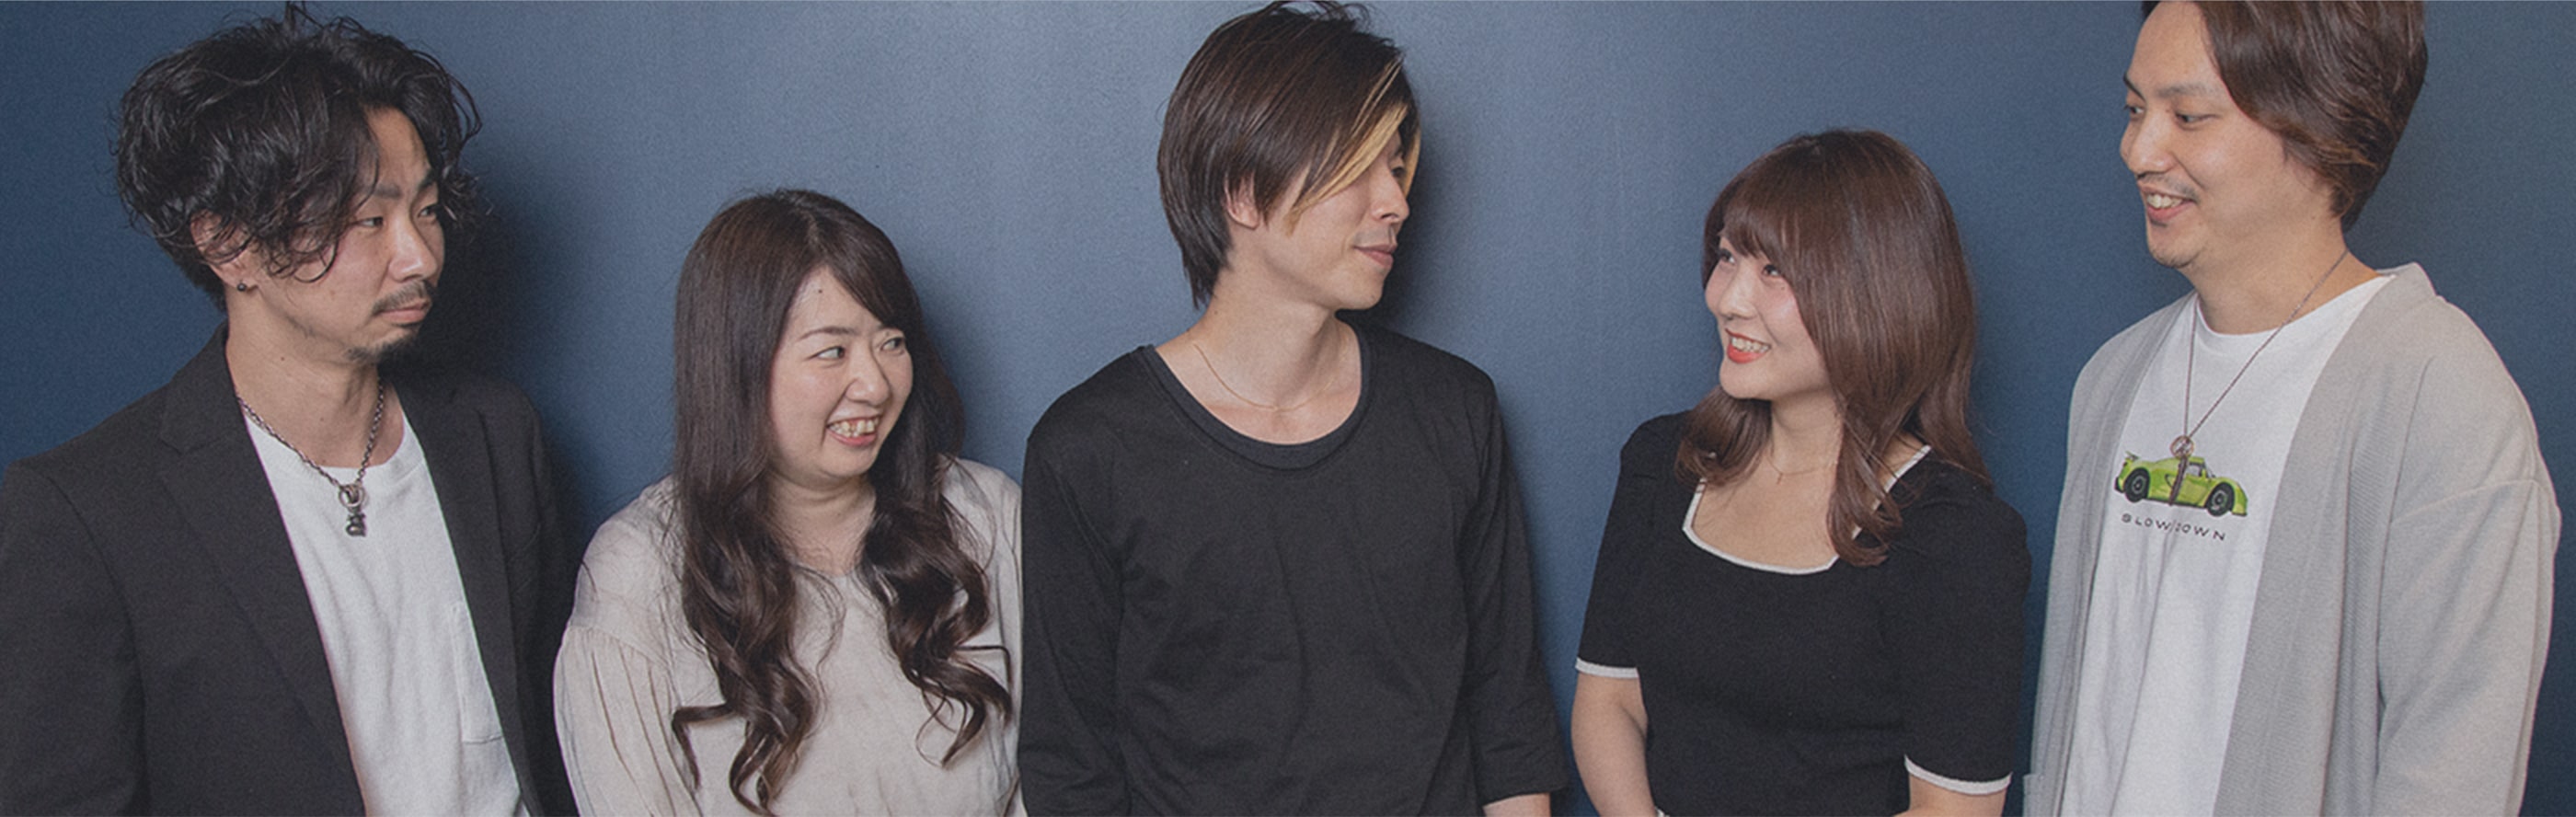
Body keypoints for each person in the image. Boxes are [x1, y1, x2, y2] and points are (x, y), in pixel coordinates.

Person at [0, 7, 575, 814]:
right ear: (228, 245)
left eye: (427, 209)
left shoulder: (495, 433)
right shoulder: (87, 512)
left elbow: (552, 741)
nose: (418, 255)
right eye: (368, 220)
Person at [1016, 3, 1565, 813]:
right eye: (1359, 168)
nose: (1396, 202)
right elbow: (1071, 767)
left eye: (1397, 167)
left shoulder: (1456, 410)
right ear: (1242, 191)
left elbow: (1509, 721)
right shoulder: (1090, 450)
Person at [2026, 2, 2559, 813]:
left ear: (2319, 126)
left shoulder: (2440, 400)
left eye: (2188, 116)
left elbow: (2455, 775)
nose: (2139, 150)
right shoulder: (2114, 379)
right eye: (2135, 110)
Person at [1570, 130, 2030, 817]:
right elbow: (1609, 697)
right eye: (1728, 257)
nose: (1728, 299)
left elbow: (1952, 810)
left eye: (1775, 272)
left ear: (1878, 293)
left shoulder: (1956, 539)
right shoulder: (1662, 462)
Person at [554, 190, 1020, 815]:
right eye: (832, 352)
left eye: (891, 342)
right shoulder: (638, 574)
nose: (875, 385)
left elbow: (1057, 775)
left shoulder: (986, 517)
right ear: (736, 365)